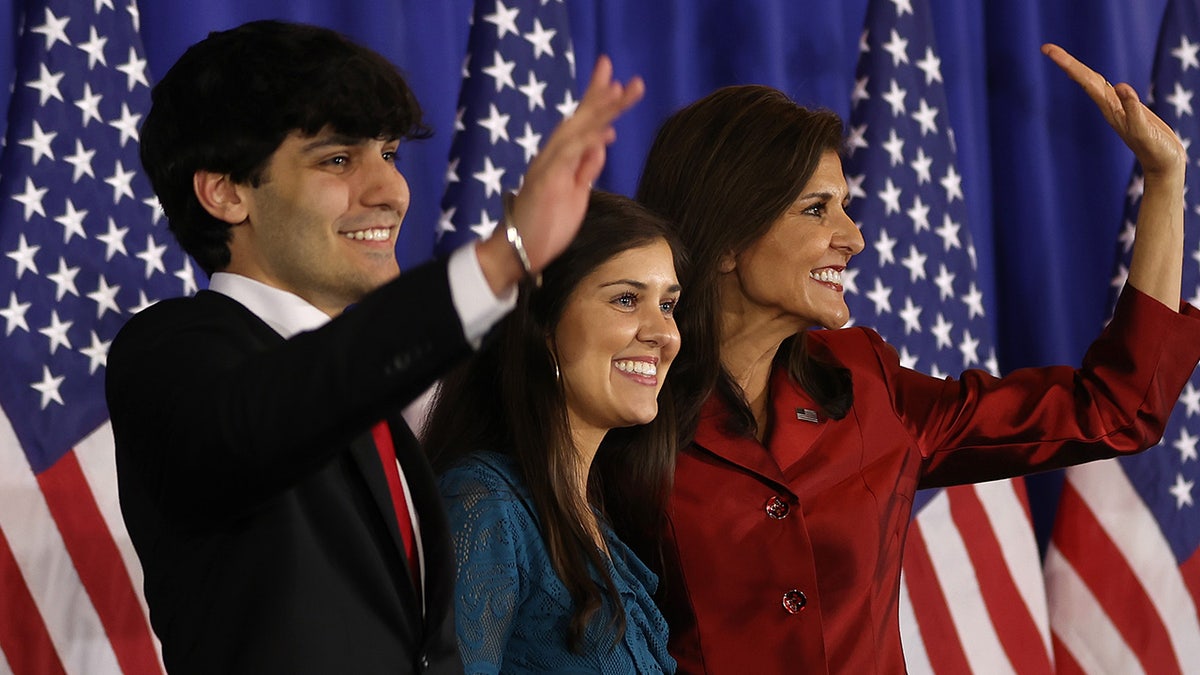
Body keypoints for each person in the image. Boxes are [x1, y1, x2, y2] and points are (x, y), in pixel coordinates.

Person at [630, 44, 1200, 674]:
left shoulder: (866, 385)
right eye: (817, 210)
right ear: (727, 238)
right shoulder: (623, 406)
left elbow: (1115, 410)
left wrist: (1165, 180)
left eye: (844, 207)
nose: (853, 238)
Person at [105, 20, 643, 675]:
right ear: (225, 191)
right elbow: (281, 409)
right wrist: (502, 260)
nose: (390, 192)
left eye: (387, 153)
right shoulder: (169, 355)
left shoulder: (373, 402)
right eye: (338, 159)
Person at [424, 191, 682, 674]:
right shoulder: (486, 506)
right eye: (627, 300)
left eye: (668, 305)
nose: (664, 334)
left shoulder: (594, 519)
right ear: (542, 327)